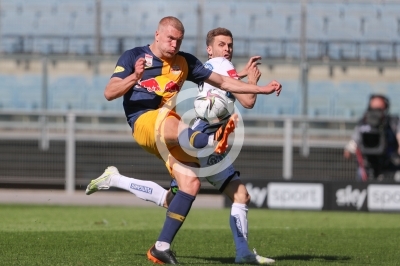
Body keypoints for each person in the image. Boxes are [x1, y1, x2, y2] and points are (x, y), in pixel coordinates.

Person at [86, 16, 282, 265]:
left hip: (168, 130)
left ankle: (160, 247)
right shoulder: (133, 56)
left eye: (179, 40)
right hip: (144, 121)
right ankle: (209, 140)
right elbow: (109, 92)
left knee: (189, 185)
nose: (174, 44)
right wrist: (134, 77)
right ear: (157, 34)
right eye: (170, 38)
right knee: (172, 120)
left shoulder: (185, 62)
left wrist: (261, 88)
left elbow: (222, 81)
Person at [344, 94, 400, 181]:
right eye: (374, 107)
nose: (376, 111)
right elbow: (354, 141)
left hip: (390, 163)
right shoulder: (363, 123)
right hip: (368, 164)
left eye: (379, 107)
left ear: (385, 107)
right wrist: (349, 150)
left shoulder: (393, 122)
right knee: (361, 175)